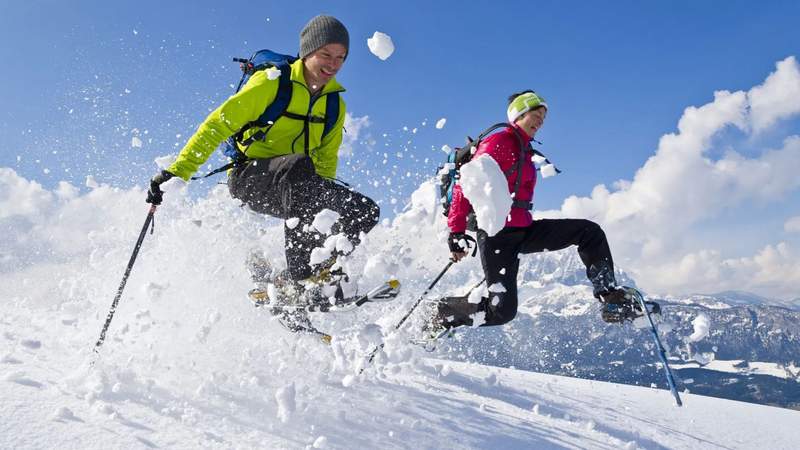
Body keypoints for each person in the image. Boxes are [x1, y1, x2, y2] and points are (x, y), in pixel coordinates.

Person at [145, 15, 379, 328]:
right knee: (300, 167)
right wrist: (178, 172)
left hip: (297, 184)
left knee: (364, 211)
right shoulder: (272, 83)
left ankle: (304, 278)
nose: (333, 64)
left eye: (340, 58)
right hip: (249, 179)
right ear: (307, 52)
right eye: (326, 55)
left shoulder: (334, 104)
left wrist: (325, 207)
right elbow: (218, 124)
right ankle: (302, 281)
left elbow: (326, 161)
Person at [431, 91, 657, 333]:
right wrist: (455, 232)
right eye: (536, 114)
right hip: (498, 236)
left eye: (543, 117)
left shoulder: (525, 149)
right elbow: (467, 183)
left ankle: (610, 298)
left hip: (524, 230)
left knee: (588, 232)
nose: (540, 121)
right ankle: (441, 311)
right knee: (501, 312)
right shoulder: (500, 142)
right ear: (519, 114)